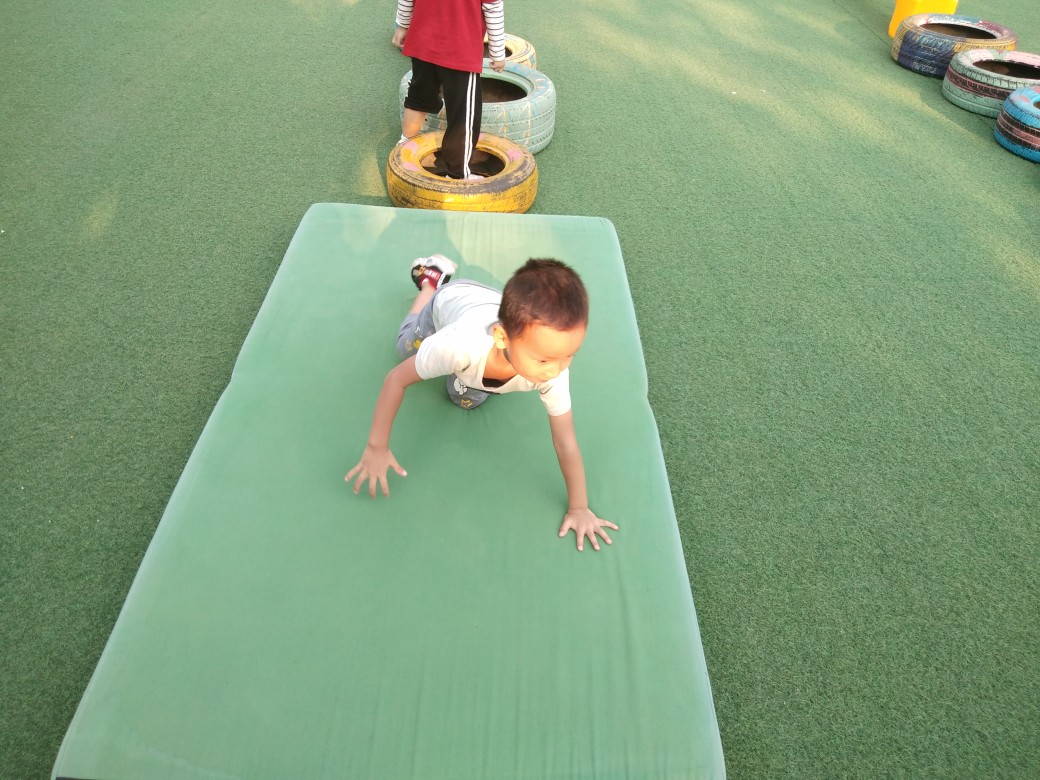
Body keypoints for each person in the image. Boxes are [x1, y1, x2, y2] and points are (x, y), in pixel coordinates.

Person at [345, 256, 619, 552]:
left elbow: (565, 441)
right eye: (543, 361)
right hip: (449, 303)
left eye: (569, 356)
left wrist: (579, 508)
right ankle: (431, 281)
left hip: (492, 307)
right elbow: (396, 380)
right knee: (405, 348)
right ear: (502, 338)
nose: (555, 370)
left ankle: (465, 370)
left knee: (464, 400)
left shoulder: (552, 369)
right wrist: (377, 447)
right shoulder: (458, 345)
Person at [392, 0, 506, 179]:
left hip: (423, 43)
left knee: (419, 97)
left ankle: (404, 142)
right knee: (463, 116)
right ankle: (458, 174)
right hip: (461, 51)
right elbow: (493, 7)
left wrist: (403, 26)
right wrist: (497, 51)